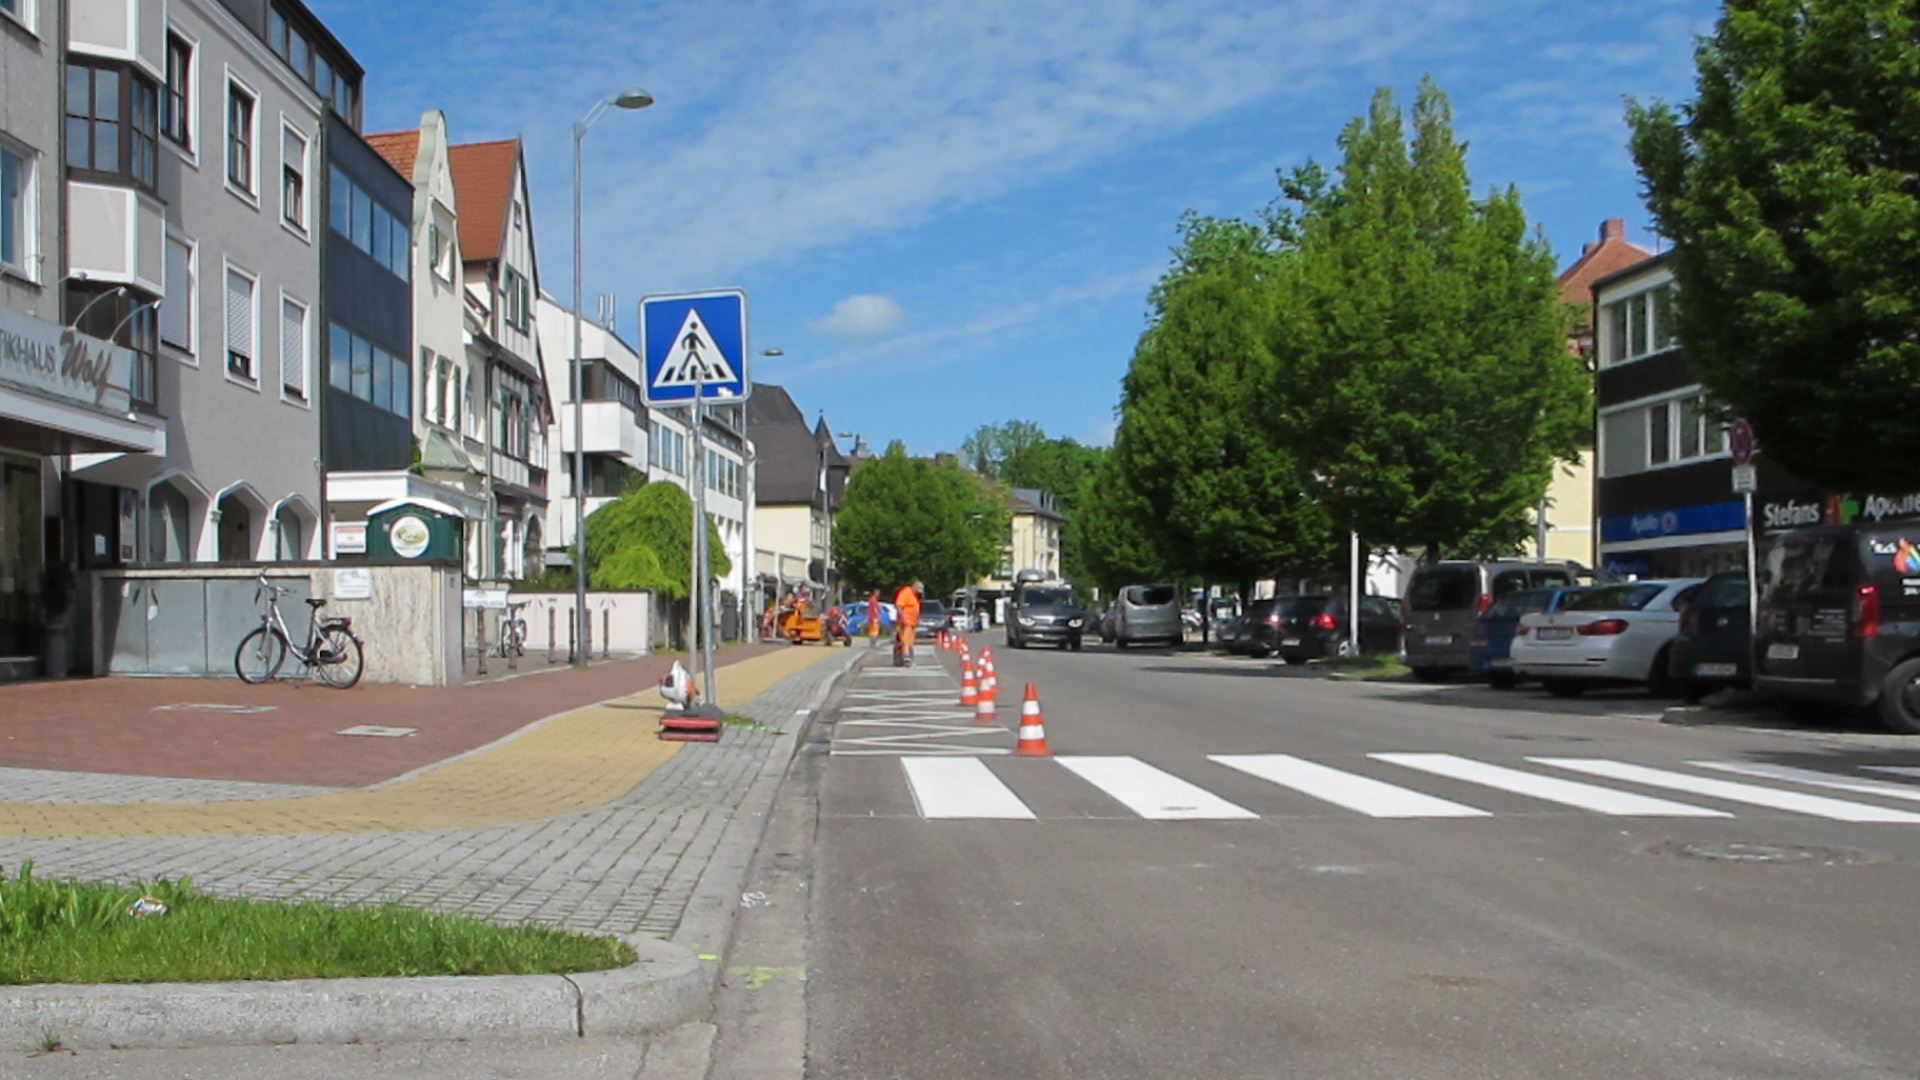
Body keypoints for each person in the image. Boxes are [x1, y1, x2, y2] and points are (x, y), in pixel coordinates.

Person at [892, 580, 923, 665]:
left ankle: (907, 656)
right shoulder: (906, 592)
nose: (918, 593)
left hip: (913, 622)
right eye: (917, 590)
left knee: (910, 640)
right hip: (906, 621)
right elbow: (899, 606)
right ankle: (905, 656)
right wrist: (903, 619)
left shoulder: (914, 595)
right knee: (905, 639)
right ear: (914, 587)